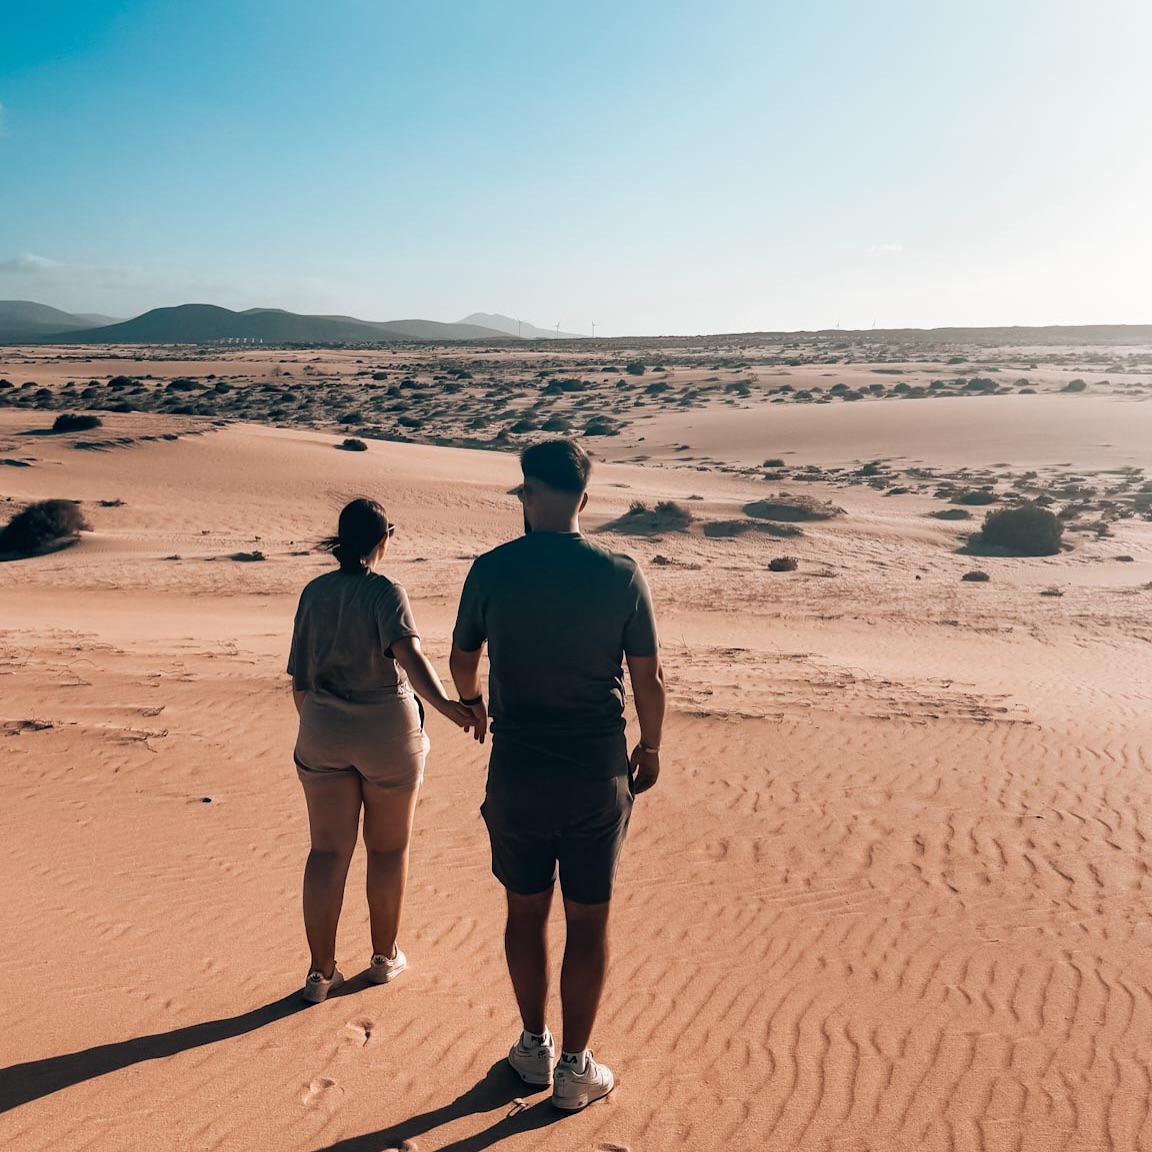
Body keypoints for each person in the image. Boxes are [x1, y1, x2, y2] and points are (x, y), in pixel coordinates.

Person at [450, 440, 666, 1111]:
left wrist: (476, 704)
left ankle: (534, 1047)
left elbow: (461, 662)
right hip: (597, 770)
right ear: (584, 499)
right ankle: (575, 1068)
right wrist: (651, 746)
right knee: (589, 920)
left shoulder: (492, 570)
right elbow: (648, 678)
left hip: (518, 768)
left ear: (529, 493)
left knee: (524, 910)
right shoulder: (621, 571)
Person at [288, 497, 474, 1003]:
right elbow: (409, 655)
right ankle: (384, 956)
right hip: (387, 731)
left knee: (326, 851)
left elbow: (299, 680)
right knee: (388, 849)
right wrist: (447, 706)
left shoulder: (314, 592)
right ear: (383, 539)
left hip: (323, 724)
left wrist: (319, 723)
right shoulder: (385, 590)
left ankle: (320, 974)